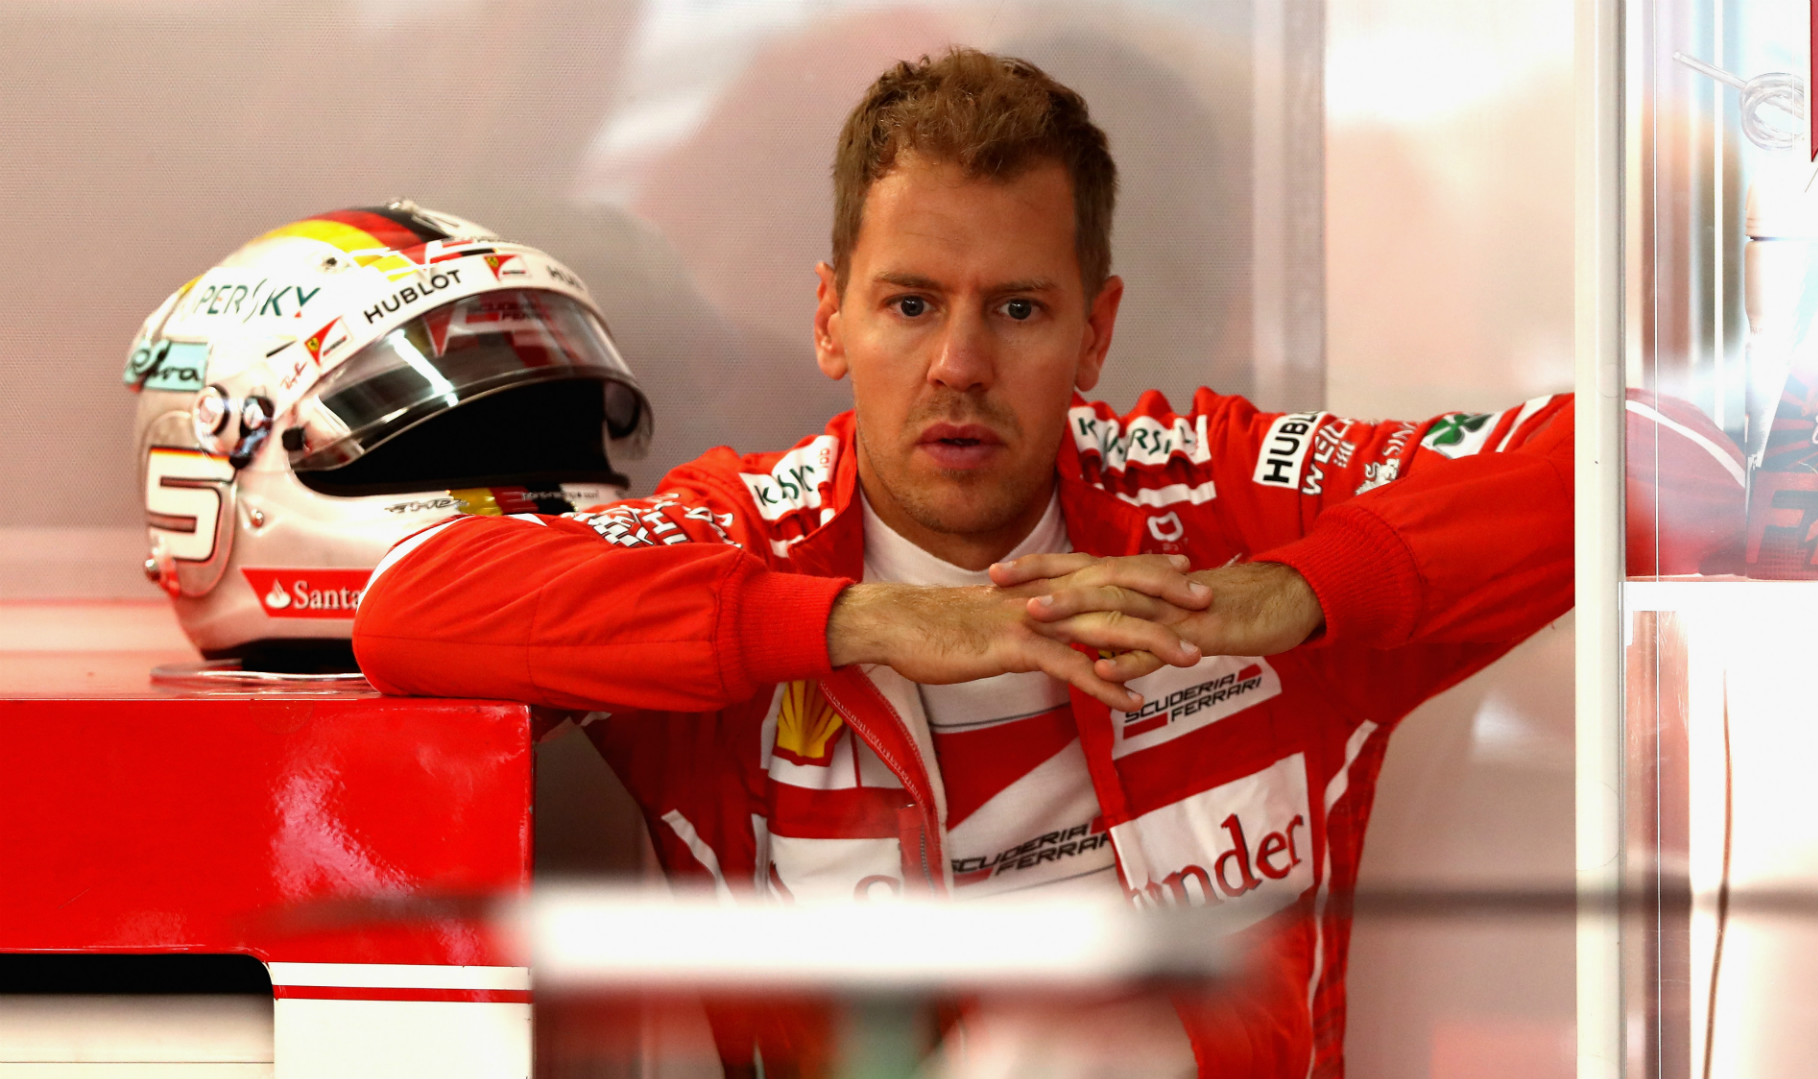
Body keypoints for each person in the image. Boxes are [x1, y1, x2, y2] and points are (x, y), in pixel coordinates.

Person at [354, 47, 1572, 1078]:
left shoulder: (1222, 502)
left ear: (1095, 331)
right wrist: (867, 621)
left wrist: (1299, 589)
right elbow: (413, 607)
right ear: (830, 317)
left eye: (1019, 309)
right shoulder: (755, 538)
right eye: (911, 304)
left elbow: (1638, 455)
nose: (960, 364)